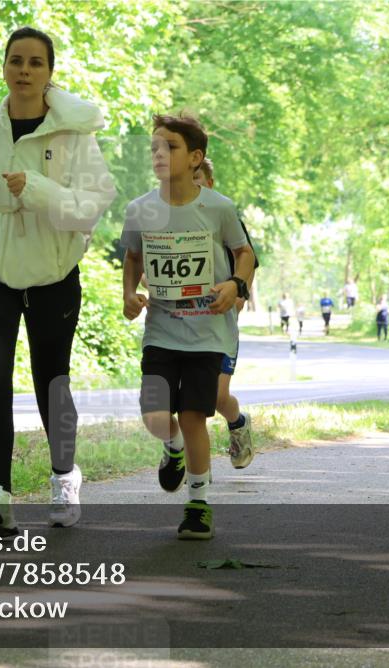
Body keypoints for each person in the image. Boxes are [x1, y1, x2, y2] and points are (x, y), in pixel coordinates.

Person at [0, 27, 116, 536]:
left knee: (51, 380)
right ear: (4, 68)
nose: (25, 71)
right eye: (16, 61)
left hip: (53, 273)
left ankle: (64, 477)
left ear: (50, 73)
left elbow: (92, 207)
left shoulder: (74, 136)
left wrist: (36, 189)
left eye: (36, 62)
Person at [122, 113, 255, 540]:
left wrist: (235, 285)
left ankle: (198, 504)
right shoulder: (140, 209)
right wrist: (128, 294)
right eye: (154, 147)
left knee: (194, 414)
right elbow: (133, 257)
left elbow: (245, 253)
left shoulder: (218, 208)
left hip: (207, 332)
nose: (159, 154)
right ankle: (172, 447)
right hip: (162, 330)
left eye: (170, 147)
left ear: (195, 157)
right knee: (155, 414)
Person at [193, 158, 257, 470]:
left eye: (197, 178)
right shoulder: (167, 218)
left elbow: (248, 259)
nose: (192, 185)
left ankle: (238, 423)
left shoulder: (225, 216)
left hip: (220, 323)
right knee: (186, 399)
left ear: (210, 183)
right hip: (181, 325)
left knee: (217, 397)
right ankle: (194, 462)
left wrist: (239, 293)